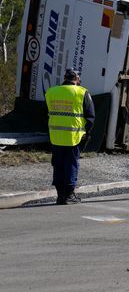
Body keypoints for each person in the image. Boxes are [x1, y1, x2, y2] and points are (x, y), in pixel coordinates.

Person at [45, 68, 95, 205]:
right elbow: (90, 117)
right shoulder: (82, 92)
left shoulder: (51, 92)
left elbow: (49, 111)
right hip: (74, 137)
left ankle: (60, 196)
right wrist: (87, 133)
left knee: (58, 165)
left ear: (64, 77)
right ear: (77, 79)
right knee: (71, 165)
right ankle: (68, 195)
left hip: (55, 136)